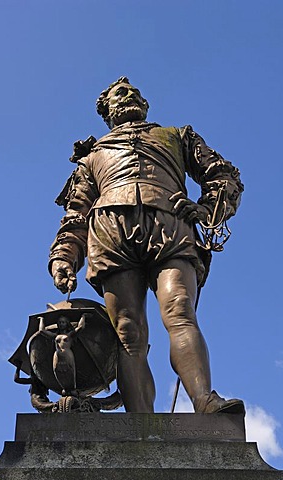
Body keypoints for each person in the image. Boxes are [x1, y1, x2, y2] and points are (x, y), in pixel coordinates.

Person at [49, 76, 244, 413]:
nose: (130, 95)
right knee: (127, 331)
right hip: (111, 235)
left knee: (180, 308)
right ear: (107, 110)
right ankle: (140, 426)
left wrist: (207, 207)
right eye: (120, 93)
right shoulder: (92, 156)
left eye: (134, 91)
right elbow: (76, 213)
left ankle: (204, 400)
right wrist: (64, 256)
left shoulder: (177, 137)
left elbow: (223, 175)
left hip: (170, 227)